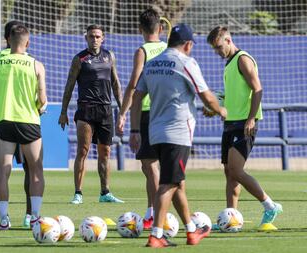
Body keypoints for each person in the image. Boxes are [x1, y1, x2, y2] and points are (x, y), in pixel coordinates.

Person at [129, 24, 226, 248]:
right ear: (188, 44)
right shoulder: (186, 62)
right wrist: (221, 110)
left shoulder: (151, 64)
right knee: (169, 184)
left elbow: (137, 98)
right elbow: (207, 97)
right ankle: (156, 235)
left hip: (155, 132)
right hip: (178, 132)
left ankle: (192, 231)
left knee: (177, 182)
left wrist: (135, 130)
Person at [206, 26, 282, 230]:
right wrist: (215, 105)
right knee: (229, 173)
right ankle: (230, 218)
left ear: (228, 41)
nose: (217, 52)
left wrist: (251, 119)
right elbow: (234, 94)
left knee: (236, 170)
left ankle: (270, 205)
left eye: (219, 47)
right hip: (230, 124)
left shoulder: (242, 59)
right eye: (214, 49)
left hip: (244, 125)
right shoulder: (229, 63)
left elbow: (257, 89)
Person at [0, 24, 47, 230]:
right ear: (27, 42)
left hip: (3, 120)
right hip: (28, 121)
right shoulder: (35, 64)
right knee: (36, 170)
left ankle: (4, 219)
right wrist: (41, 107)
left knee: (3, 171)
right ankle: (35, 217)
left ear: (8, 40)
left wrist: (1, 108)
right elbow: (42, 99)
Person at [58, 24, 124, 204]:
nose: (94, 39)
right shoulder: (79, 59)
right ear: (85, 38)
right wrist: (63, 112)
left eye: (97, 36)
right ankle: (78, 193)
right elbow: (70, 85)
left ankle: (105, 192)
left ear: (103, 38)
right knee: (83, 150)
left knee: (105, 152)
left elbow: (116, 83)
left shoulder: (109, 56)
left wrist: (123, 111)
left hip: (105, 110)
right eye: (91, 36)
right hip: (86, 110)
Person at [116, 8, 166, 229]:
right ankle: (151, 211)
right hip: (168, 111)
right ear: (161, 28)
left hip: (147, 111)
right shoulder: (169, 49)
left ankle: (157, 214)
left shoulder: (142, 51)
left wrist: (124, 112)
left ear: (140, 29)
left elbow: (134, 83)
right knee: (154, 167)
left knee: (150, 166)